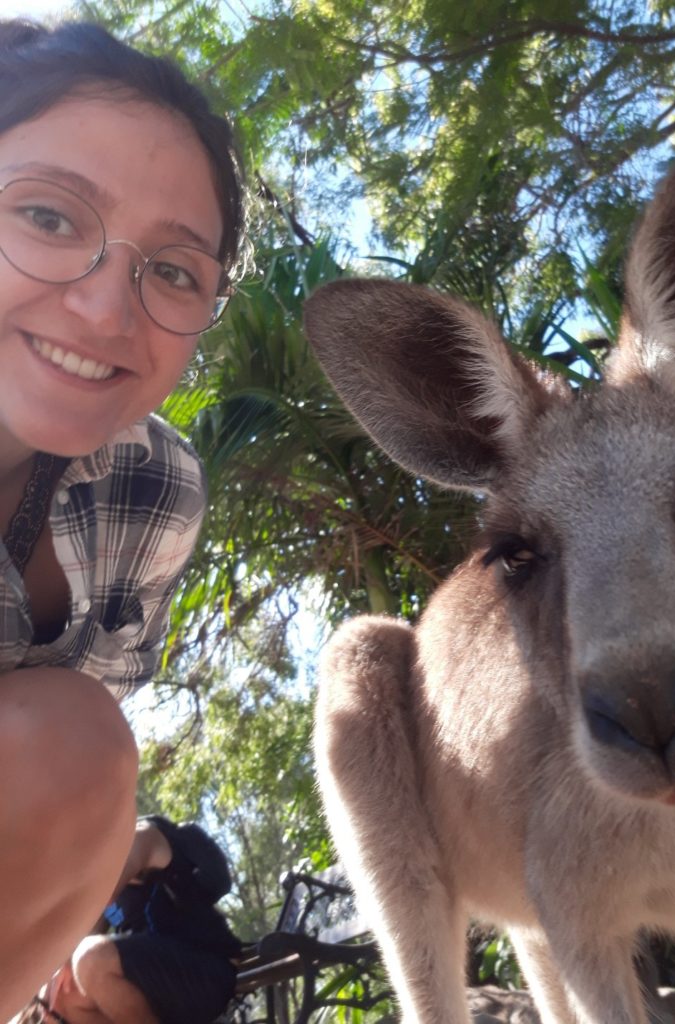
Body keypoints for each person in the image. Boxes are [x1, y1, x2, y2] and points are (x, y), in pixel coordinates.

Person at [0, 18, 245, 1020]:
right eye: (49, 216)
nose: (109, 311)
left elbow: (57, 780)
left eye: (175, 271)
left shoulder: (151, 490)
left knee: (78, 746)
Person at [39, 817, 243, 1024]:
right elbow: (86, 932)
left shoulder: (144, 838)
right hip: (151, 985)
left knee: (90, 959)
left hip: (205, 971)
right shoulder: (94, 880)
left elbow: (121, 870)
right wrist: (53, 977)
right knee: (63, 995)